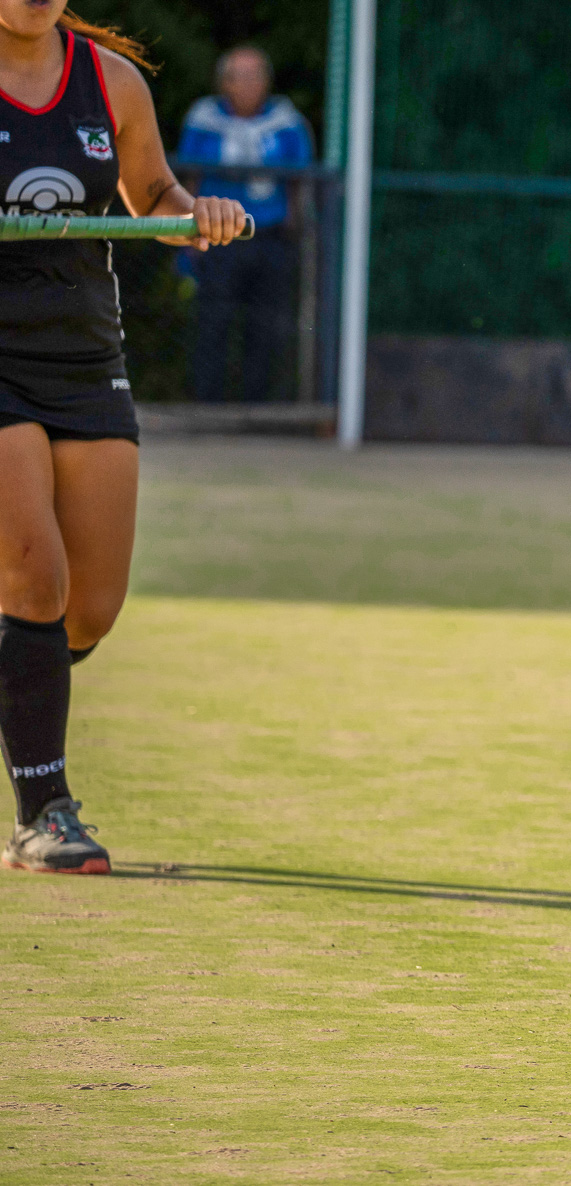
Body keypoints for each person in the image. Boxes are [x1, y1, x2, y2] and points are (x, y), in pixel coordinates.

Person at [0, 1, 247, 874]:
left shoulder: (111, 82)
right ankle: (45, 814)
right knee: (34, 572)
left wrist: (195, 214)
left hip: (82, 356)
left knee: (88, 607)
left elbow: (157, 196)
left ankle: (16, 681)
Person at [177, 44, 312, 404]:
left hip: (269, 238)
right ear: (225, 82)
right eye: (242, 76)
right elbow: (189, 176)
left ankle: (259, 410)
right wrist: (190, 230)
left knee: (266, 328)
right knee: (213, 324)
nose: (251, 84)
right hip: (217, 240)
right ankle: (207, 409)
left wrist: (292, 226)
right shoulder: (204, 118)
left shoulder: (286, 121)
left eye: (257, 75)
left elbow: (299, 181)